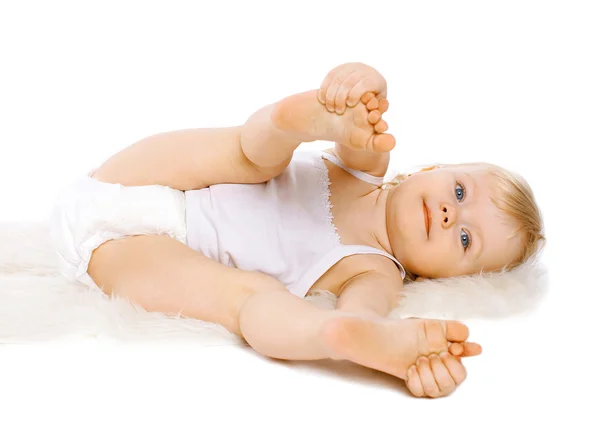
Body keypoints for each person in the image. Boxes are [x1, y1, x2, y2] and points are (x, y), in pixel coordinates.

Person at [49, 62, 545, 398]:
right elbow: (364, 133)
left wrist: (386, 343)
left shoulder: (374, 272)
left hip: (130, 256)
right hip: (138, 176)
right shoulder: (366, 163)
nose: (448, 216)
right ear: (432, 168)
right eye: (459, 193)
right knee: (248, 158)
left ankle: (323, 336)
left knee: (249, 299)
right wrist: (363, 90)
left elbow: (365, 312)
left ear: (447, 279)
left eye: (465, 240)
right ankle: (292, 123)